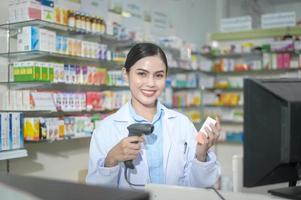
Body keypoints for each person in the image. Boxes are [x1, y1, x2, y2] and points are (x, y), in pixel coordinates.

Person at [86, 43, 221, 189]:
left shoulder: (182, 123)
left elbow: (196, 187)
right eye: (142, 74)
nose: (151, 83)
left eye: (158, 75)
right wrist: (110, 161)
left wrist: (201, 156)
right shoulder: (106, 129)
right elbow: (96, 193)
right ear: (126, 74)